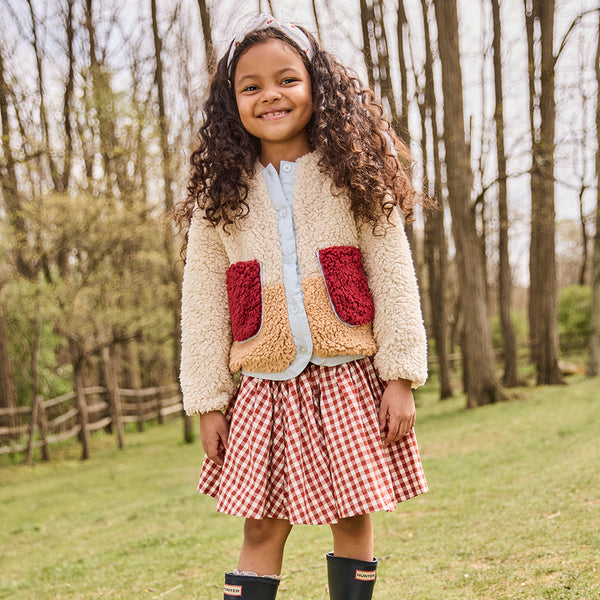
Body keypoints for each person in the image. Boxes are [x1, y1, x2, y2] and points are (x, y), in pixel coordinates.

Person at [175, 13, 428, 600]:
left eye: (287, 79)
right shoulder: (221, 195)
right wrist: (210, 400)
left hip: (347, 376)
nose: (271, 96)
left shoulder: (354, 174)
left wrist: (400, 376)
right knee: (261, 522)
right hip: (264, 382)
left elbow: (393, 276)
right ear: (230, 101)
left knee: (352, 512)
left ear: (316, 85)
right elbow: (203, 302)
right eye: (251, 86)